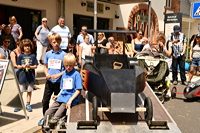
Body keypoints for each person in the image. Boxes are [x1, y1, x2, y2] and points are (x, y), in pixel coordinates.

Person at [42, 53, 82, 131]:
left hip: (69, 98)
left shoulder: (76, 74)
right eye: (66, 65)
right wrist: (58, 95)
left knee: (56, 116)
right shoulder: (64, 73)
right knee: (48, 112)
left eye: (70, 65)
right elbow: (63, 88)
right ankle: (46, 129)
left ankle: (59, 124)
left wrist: (70, 100)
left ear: (74, 64)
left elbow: (78, 90)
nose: (68, 67)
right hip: (62, 97)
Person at [39, 33, 66, 126]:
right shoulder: (47, 54)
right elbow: (45, 66)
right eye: (54, 42)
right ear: (51, 42)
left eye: (58, 42)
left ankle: (58, 119)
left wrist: (58, 75)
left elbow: (67, 70)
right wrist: (46, 74)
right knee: (45, 101)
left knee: (58, 102)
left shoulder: (64, 54)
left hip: (59, 83)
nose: (56, 44)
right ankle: (46, 118)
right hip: (49, 82)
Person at [14, 39, 38, 112]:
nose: (27, 48)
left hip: (30, 76)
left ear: (30, 47)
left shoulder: (33, 56)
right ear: (22, 47)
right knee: (21, 91)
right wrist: (22, 66)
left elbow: (35, 66)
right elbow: (17, 66)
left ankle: (28, 104)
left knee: (29, 91)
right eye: (25, 46)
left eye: (28, 46)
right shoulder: (21, 56)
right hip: (22, 76)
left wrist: (30, 67)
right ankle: (20, 104)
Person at [156, 32, 173, 97]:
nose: (159, 41)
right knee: (161, 74)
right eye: (158, 40)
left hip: (168, 60)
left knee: (166, 74)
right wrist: (157, 49)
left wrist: (164, 47)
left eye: (160, 39)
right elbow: (160, 52)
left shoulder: (169, 43)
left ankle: (168, 90)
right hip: (162, 59)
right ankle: (163, 88)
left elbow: (169, 53)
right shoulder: (159, 44)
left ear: (163, 39)